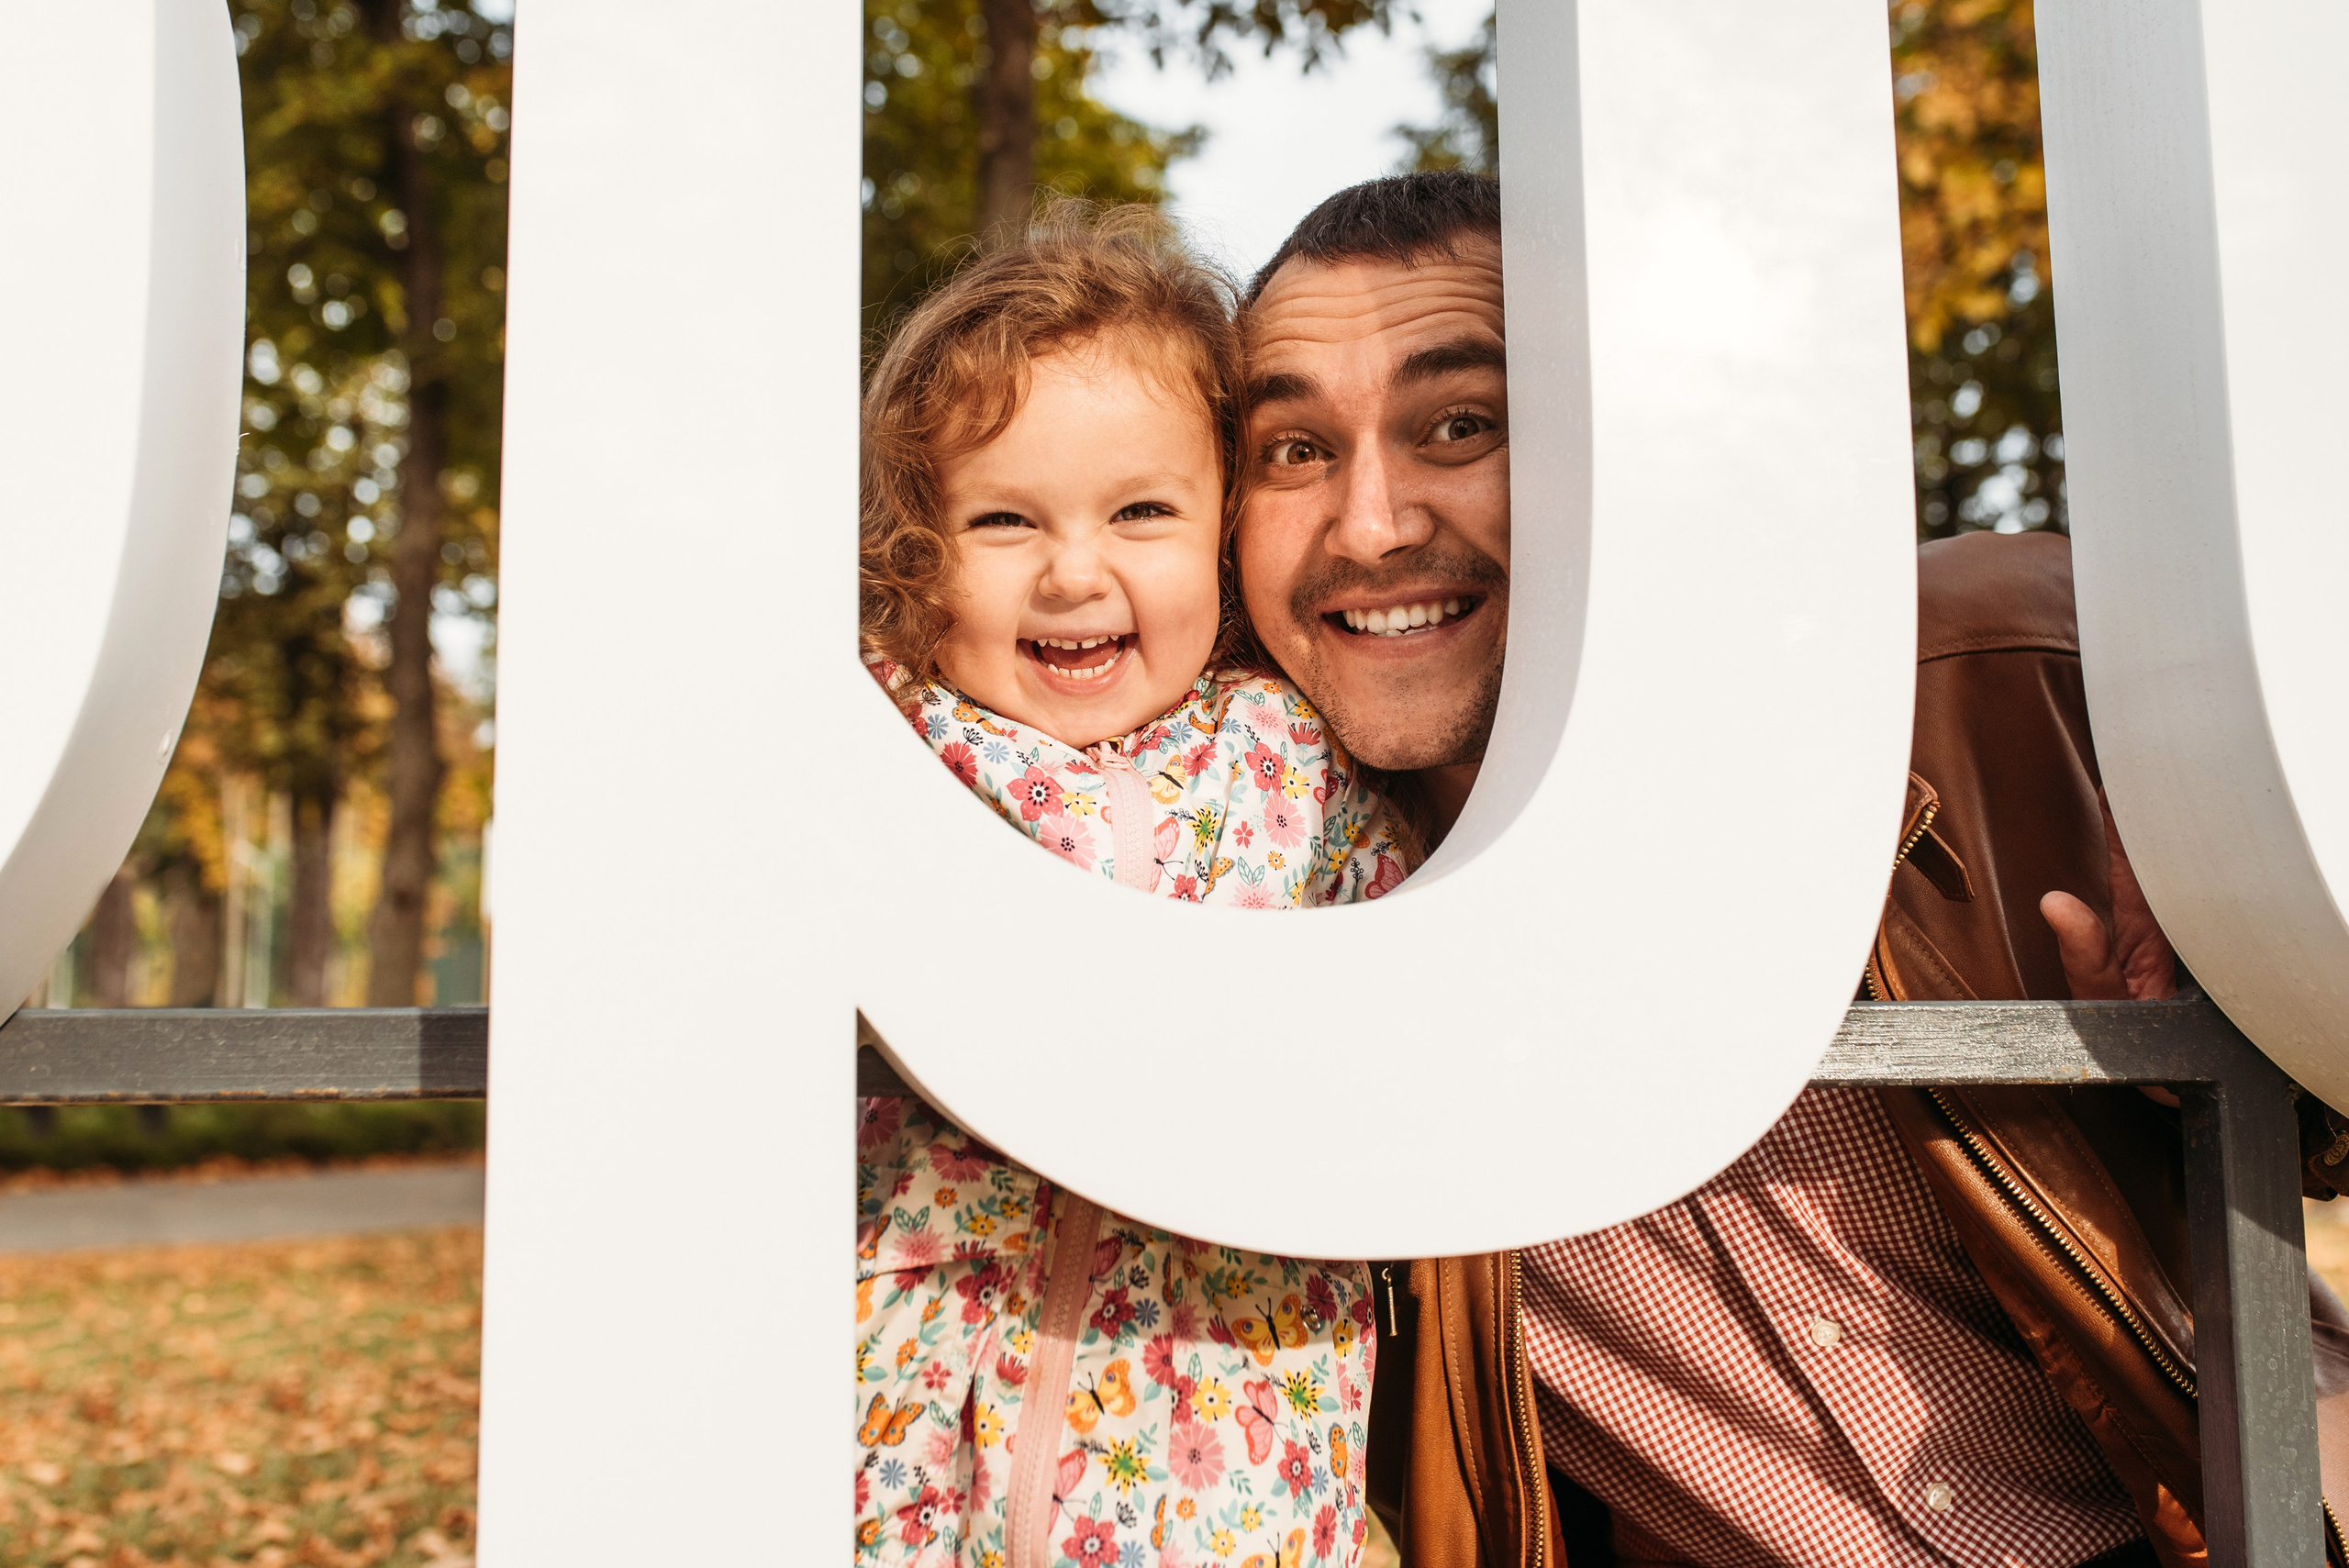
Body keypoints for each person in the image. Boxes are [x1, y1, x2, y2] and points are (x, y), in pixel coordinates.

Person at [1231, 171, 2349, 1568]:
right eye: (1290, 450)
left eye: (1464, 424)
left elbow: (2309, 1099)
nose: (1373, 523)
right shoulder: (1259, 913)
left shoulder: (1996, 669)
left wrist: (2272, 984)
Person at [853, 206, 1395, 1568]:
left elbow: (1418, 985)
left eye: (1140, 511)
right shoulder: (893, 743)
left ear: (1221, 527)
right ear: (919, 548)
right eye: (1002, 518)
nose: (1075, 569)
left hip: (1224, 1426)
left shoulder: (1293, 761)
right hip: (908, 1432)